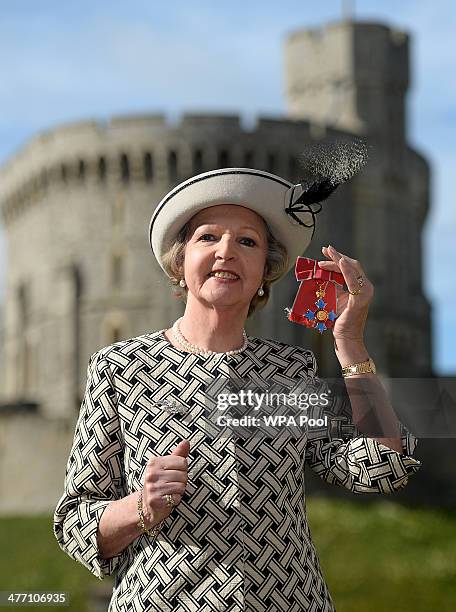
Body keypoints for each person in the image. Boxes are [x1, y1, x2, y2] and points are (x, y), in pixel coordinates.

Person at [53, 166, 422, 612]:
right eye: (208, 237)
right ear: (180, 259)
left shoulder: (290, 371)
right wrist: (140, 507)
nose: (227, 251)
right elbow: (75, 521)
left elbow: (382, 466)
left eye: (247, 241)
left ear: (266, 270)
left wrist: (350, 345)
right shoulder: (119, 369)